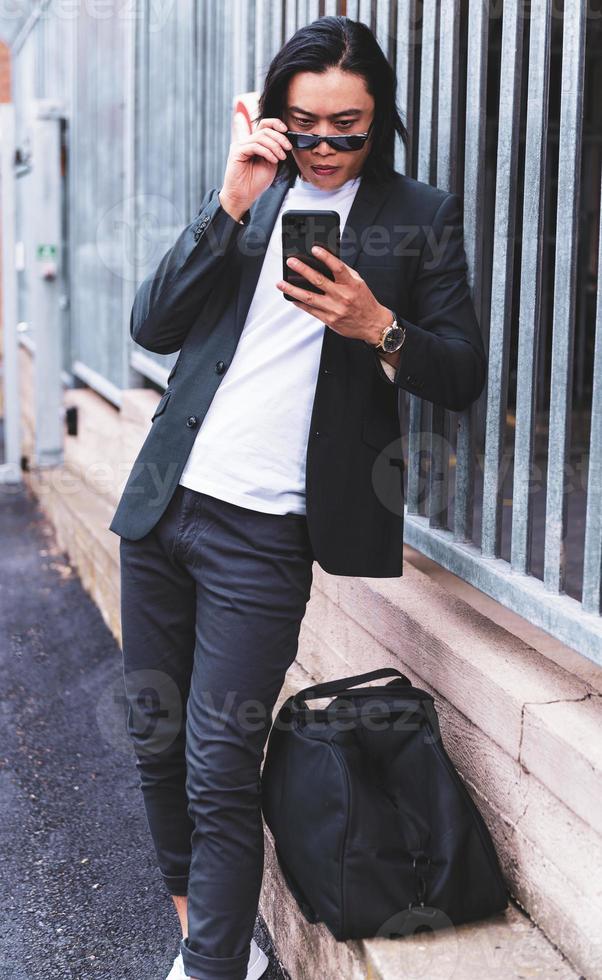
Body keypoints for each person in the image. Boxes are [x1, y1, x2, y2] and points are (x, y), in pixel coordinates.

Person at [109, 15, 487, 980]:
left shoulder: (419, 213)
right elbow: (154, 325)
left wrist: (377, 325)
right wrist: (228, 202)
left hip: (264, 536)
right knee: (157, 742)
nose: (322, 147)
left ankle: (212, 969)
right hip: (165, 503)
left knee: (217, 764)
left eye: (346, 129)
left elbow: (460, 375)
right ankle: (200, 930)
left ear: (380, 121)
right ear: (278, 116)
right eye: (304, 124)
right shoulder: (254, 187)